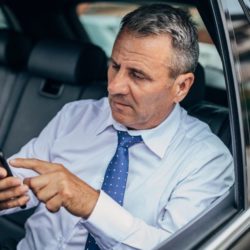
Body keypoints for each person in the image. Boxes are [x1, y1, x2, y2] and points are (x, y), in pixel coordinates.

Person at [0, 3, 234, 250]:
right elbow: (23, 180)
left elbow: (173, 246)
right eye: (115, 66)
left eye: (137, 75)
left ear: (181, 87)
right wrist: (5, 189)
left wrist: (92, 205)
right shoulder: (77, 114)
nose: (114, 87)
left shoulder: (207, 161)